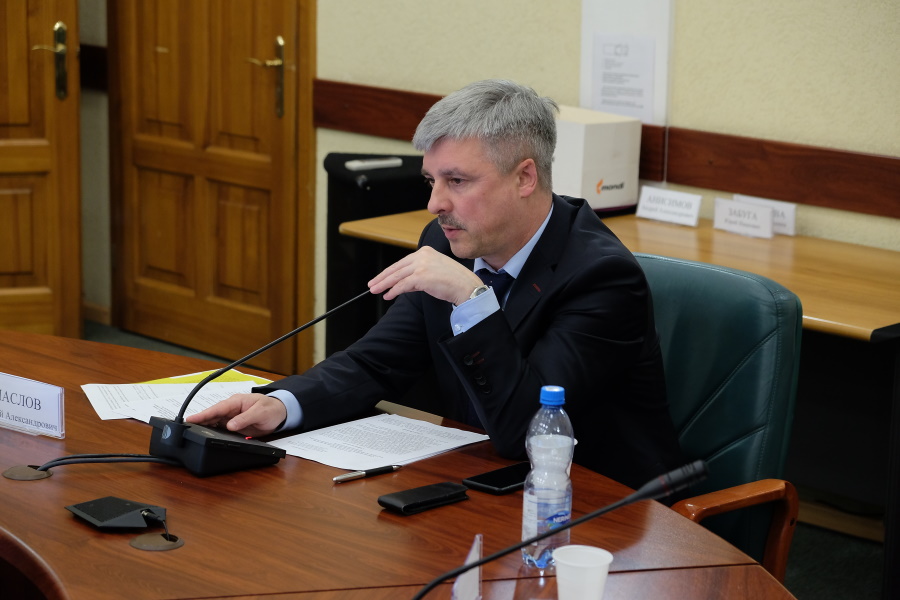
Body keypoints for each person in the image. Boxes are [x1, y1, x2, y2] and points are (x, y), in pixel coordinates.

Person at [188, 79, 683, 489]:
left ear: (525, 178)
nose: (434, 204)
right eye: (431, 181)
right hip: (485, 480)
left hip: (604, 507)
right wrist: (281, 405)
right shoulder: (445, 242)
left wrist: (471, 298)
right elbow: (377, 361)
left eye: (457, 182)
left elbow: (528, 431)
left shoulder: (601, 278)